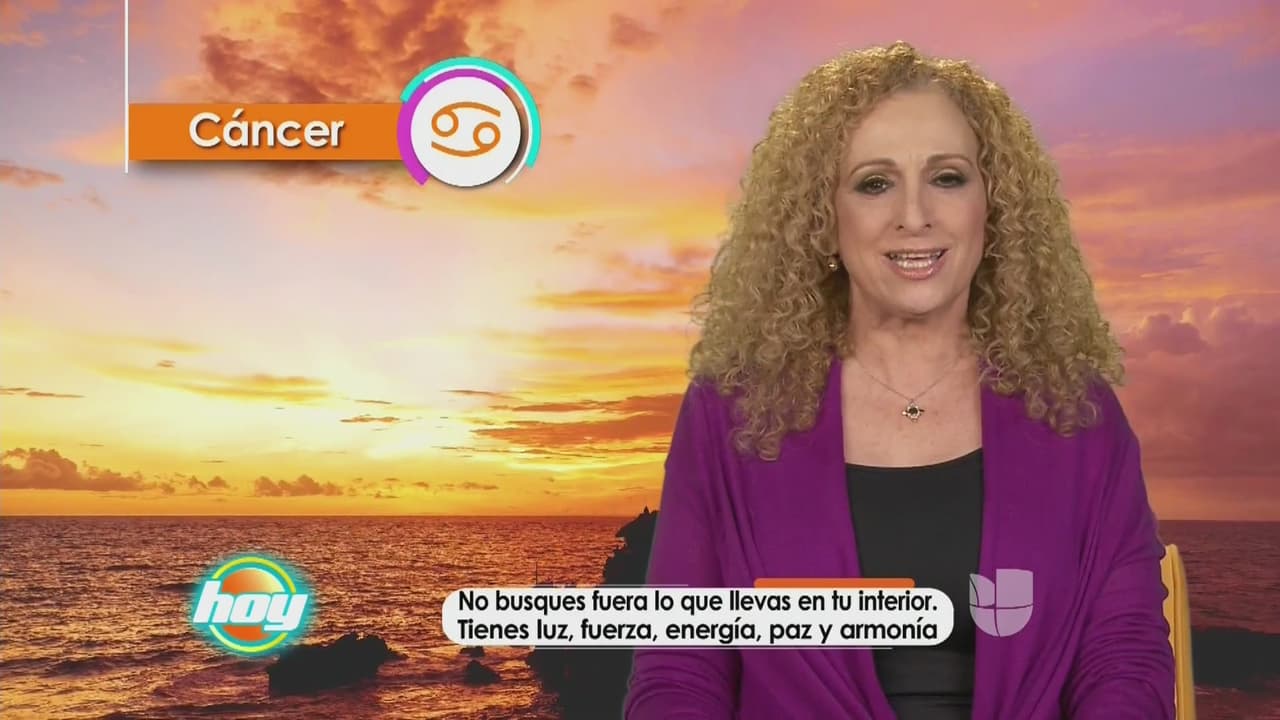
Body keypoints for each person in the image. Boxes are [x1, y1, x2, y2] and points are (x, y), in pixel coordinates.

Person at [624, 42, 1175, 719]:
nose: (914, 215)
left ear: (993, 207)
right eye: (874, 183)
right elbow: (680, 671)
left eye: (947, 177)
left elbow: (1125, 653)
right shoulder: (729, 413)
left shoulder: (1076, 411)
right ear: (823, 218)